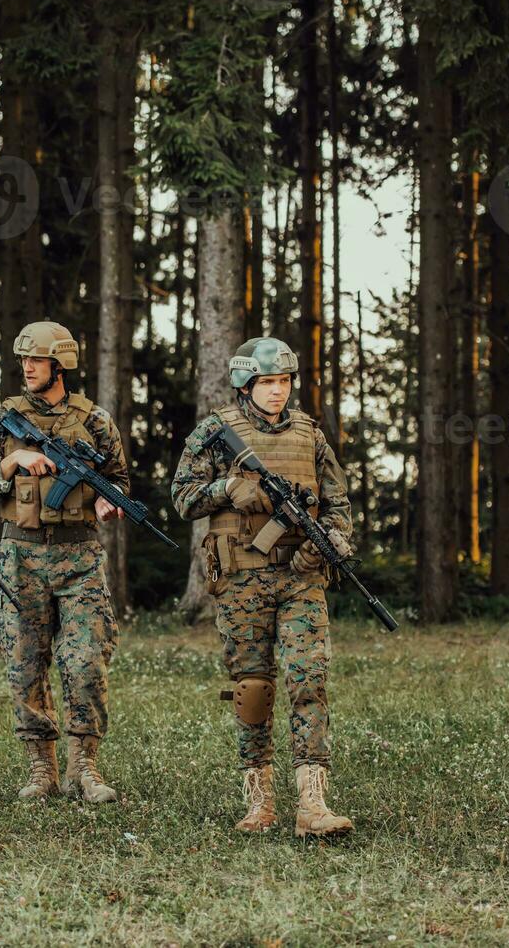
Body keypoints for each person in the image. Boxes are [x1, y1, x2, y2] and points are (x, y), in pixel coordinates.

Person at [170, 338, 355, 838]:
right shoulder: (215, 432)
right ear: (246, 385)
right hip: (241, 580)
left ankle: (312, 803)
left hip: (301, 577)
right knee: (253, 687)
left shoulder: (309, 435)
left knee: (308, 680)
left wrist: (330, 542)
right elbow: (182, 498)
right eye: (268, 383)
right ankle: (259, 801)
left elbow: (338, 503)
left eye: (284, 382)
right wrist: (226, 489)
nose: (278, 392)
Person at [0, 321, 126, 804]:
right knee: (23, 661)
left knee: (87, 659)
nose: (27, 368)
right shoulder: (3, 420)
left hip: (80, 556)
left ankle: (85, 767)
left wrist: (106, 500)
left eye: (36, 360)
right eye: (24, 360)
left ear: (61, 365)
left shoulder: (94, 420)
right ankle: (41, 768)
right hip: (20, 555)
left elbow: (118, 478)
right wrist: (12, 463)